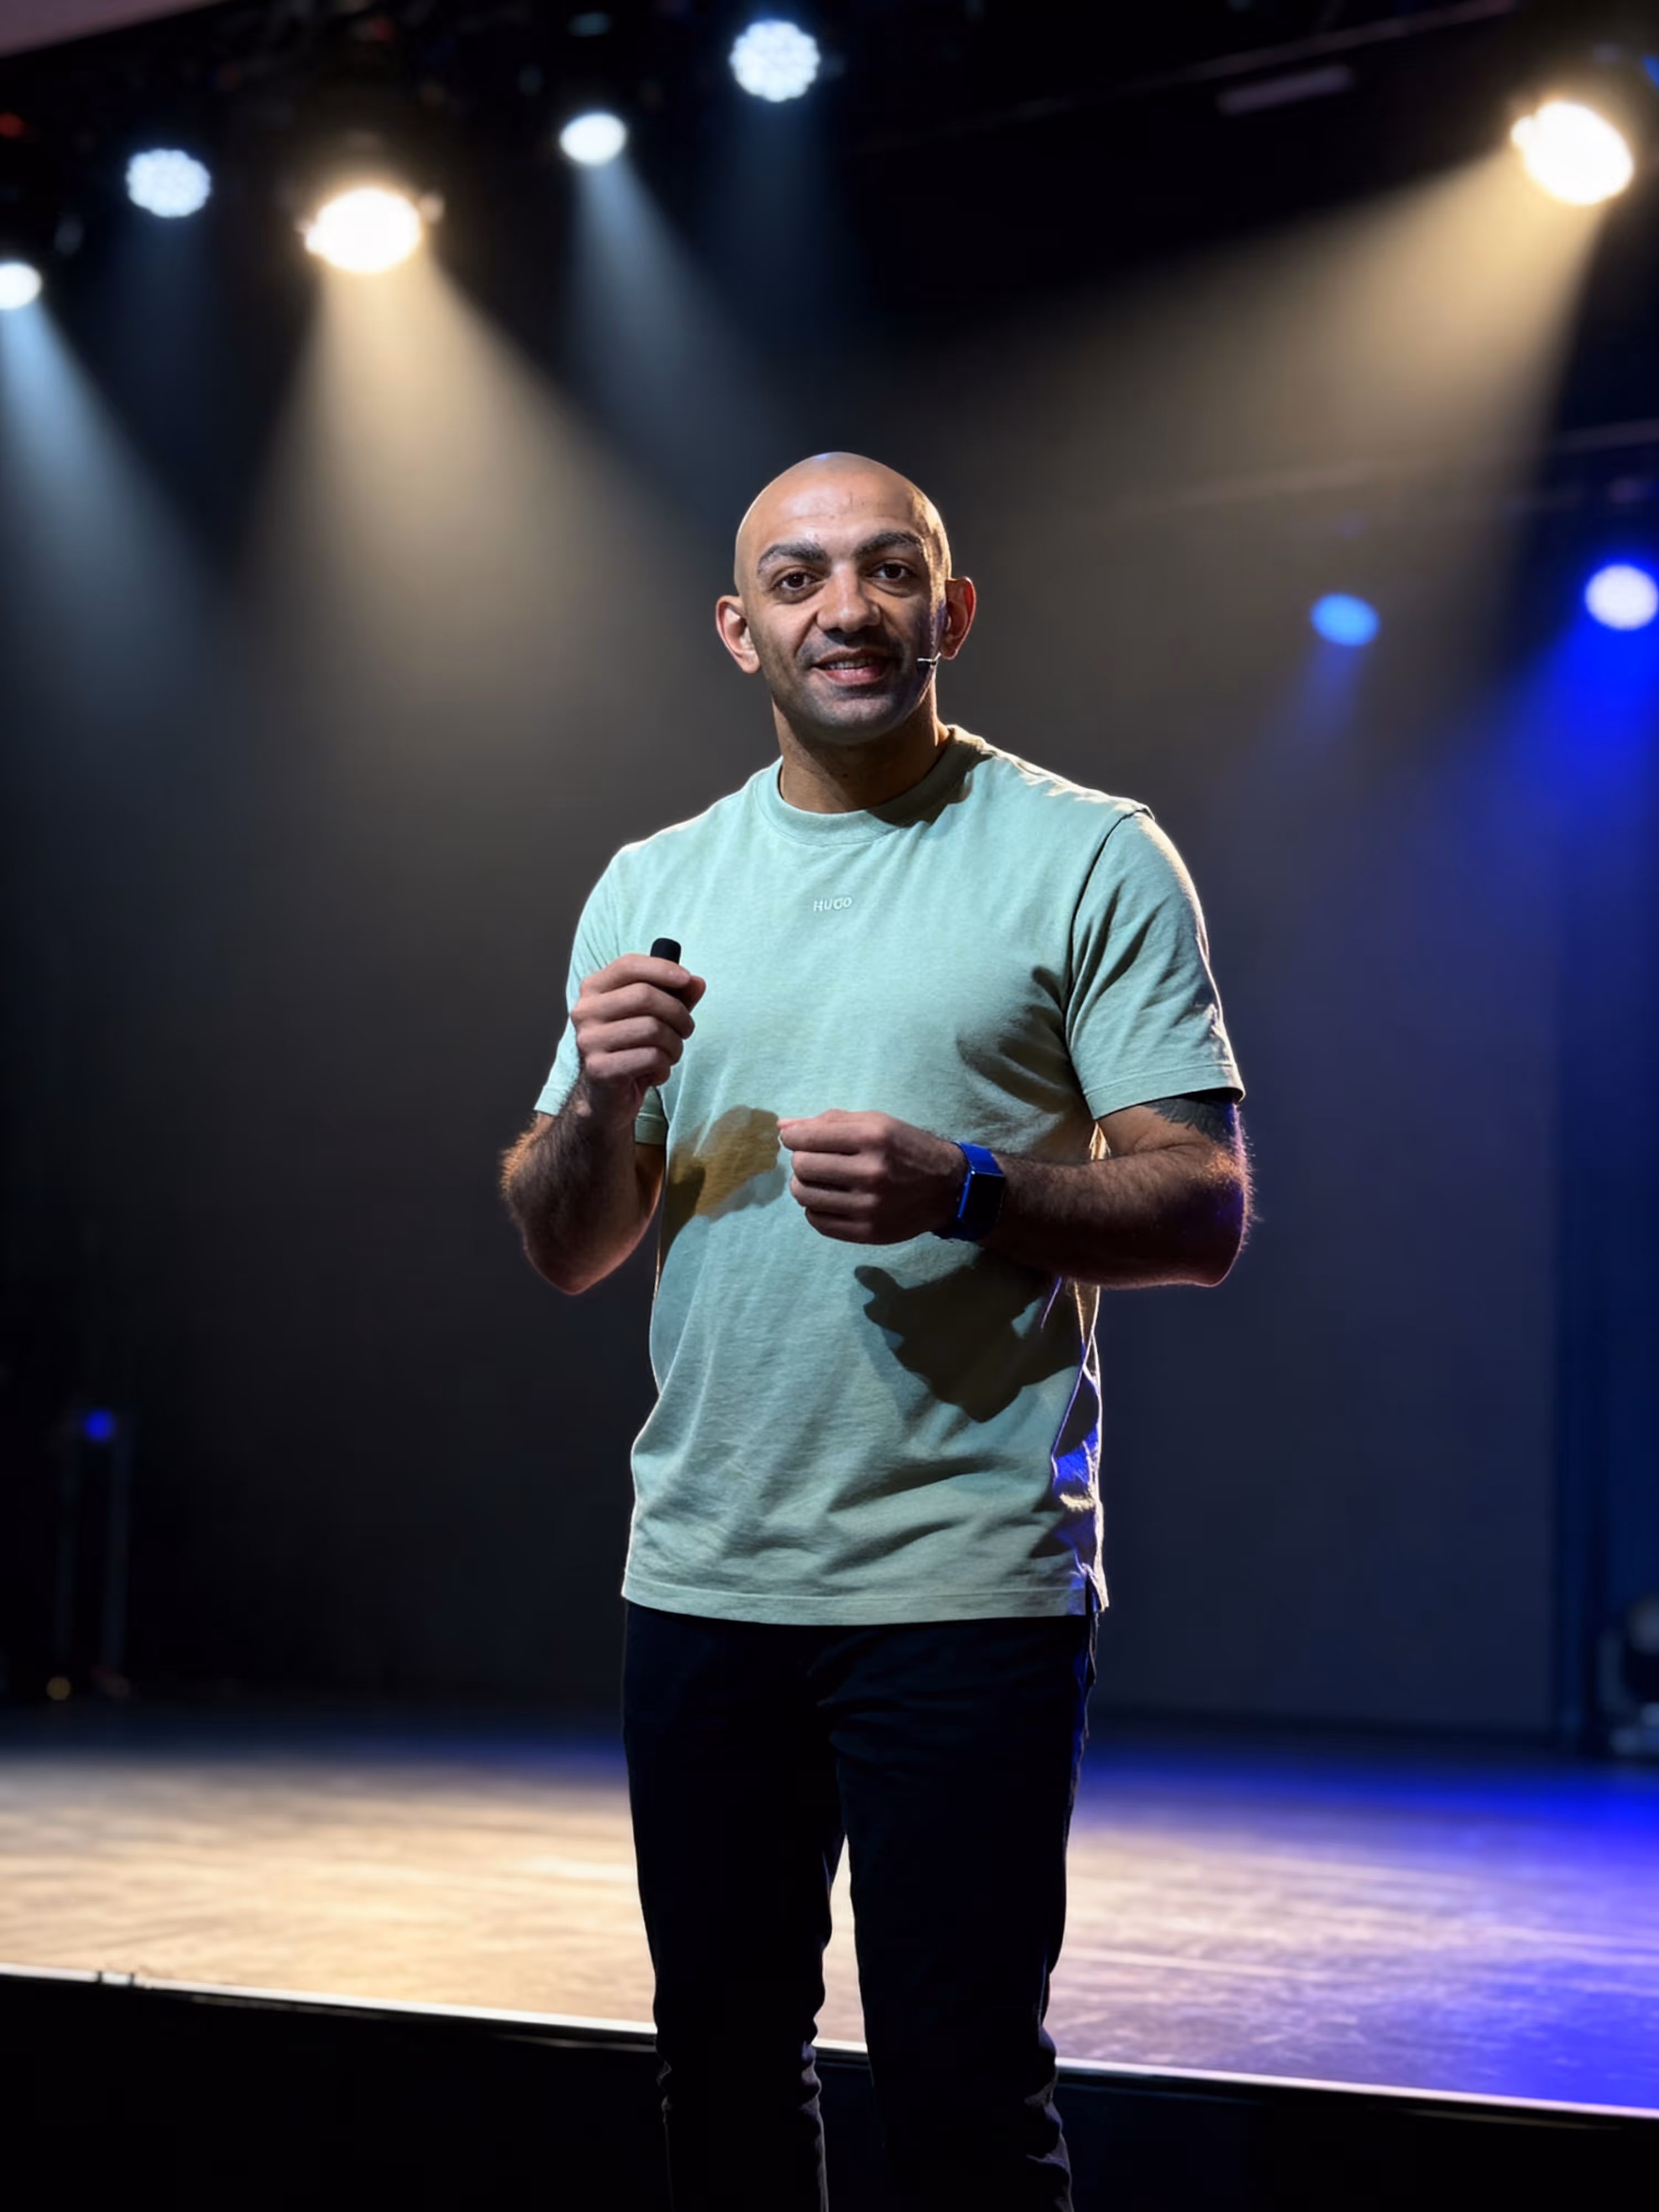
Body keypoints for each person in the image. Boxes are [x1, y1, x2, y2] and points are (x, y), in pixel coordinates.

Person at [500, 452, 1248, 2211]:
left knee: (966, 2100)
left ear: (951, 609)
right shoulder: (651, 881)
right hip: (704, 1577)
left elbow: (1204, 1207)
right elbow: (565, 1244)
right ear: (737, 628)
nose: (845, 608)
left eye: (887, 571)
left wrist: (973, 1188)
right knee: (726, 2083)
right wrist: (601, 1112)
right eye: (798, 578)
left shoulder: (1088, 854)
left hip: (963, 1582)